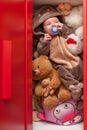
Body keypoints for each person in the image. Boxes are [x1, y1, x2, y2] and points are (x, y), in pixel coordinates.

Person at [33, 5, 83, 101]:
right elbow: (42, 53)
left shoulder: (64, 33)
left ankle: (81, 90)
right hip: (60, 64)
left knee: (82, 66)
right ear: (43, 30)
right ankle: (74, 88)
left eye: (56, 22)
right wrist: (44, 42)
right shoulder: (45, 39)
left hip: (74, 60)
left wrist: (64, 28)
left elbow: (72, 34)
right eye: (49, 24)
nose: (54, 25)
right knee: (61, 72)